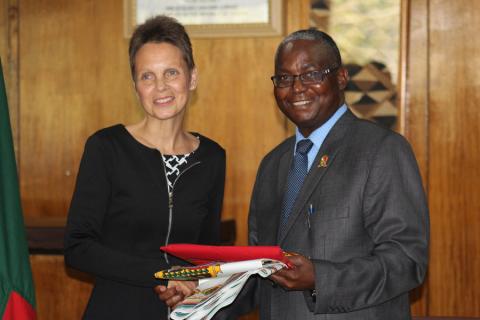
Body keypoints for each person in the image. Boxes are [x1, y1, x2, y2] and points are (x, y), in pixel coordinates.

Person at [162, 28, 429, 320]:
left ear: (340, 78)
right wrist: (199, 293)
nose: (297, 88)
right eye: (285, 78)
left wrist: (320, 278)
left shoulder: (382, 150)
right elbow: (259, 273)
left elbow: (407, 261)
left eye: (311, 74)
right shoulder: (272, 165)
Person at [64, 15, 226, 319]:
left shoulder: (213, 158)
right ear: (135, 85)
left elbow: (207, 251)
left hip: (186, 312)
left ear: (192, 78)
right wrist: (161, 273)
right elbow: (77, 247)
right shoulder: (106, 147)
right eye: (147, 76)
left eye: (171, 72)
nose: (160, 87)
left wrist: (193, 282)